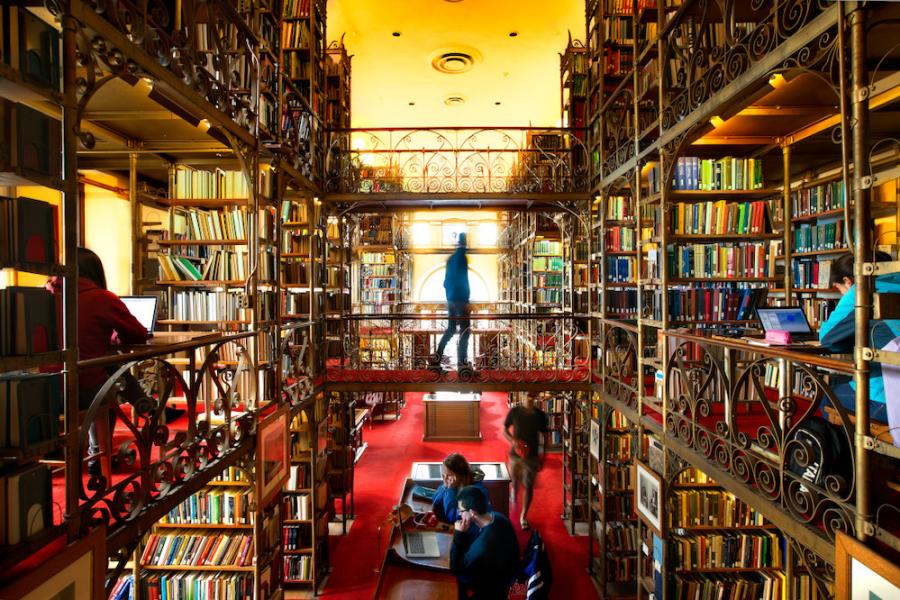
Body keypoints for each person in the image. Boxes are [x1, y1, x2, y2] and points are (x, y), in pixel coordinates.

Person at [48, 248, 149, 475]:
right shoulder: (102, 299)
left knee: (105, 365)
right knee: (106, 382)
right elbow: (139, 335)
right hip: (82, 387)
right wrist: (113, 336)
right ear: (95, 271)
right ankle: (97, 455)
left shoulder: (43, 296)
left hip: (44, 390)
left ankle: (142, 403)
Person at [819, 251, 900, 421]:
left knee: (828, 397)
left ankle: (857, 447)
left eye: (840, 289)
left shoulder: (862, 291)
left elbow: (827, 339)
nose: (841, 295)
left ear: (848, 281)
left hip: (888, 400)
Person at [450, 485, 520, 600]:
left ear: (472, 512)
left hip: (491, 590)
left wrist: (459, 534)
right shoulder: (499, 517)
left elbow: (455, 569)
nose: (459, 514)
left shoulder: (482, 546)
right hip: (506, 575)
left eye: (461, 511)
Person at [504, 392, 549, 530]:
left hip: (532, 456)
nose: (529, 399)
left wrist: (543, 456)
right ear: (521, 397)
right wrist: (513, 441)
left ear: (534, 398)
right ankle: (514, 492)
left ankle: (523, 516)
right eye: (526, 396)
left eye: (531, 397)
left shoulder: (540, 415)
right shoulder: (514, 412)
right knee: (515, 482)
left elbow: (545, 436)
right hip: (515, 455)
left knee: (529, 486)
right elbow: (505, 428)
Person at [432, 232, 471, 368]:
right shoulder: (462, 257)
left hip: (451, 300)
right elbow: (462, 281)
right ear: (465, 243)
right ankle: (462, 362)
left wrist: (450, 296)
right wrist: (465, 299)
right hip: (461, 300)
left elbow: (445, 282)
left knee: (451, 329)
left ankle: (436, 358)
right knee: (465, 331)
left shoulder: (450, 259)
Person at [432, 453, 490, 524]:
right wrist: (445, 488)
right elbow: (435, 501)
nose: (444, 479)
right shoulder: (450, 482)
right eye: (443, 475)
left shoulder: (476, 492)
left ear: (460, 475)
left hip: (471, 531)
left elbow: (453, 517)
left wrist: (450, 490)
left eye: (449, 475)